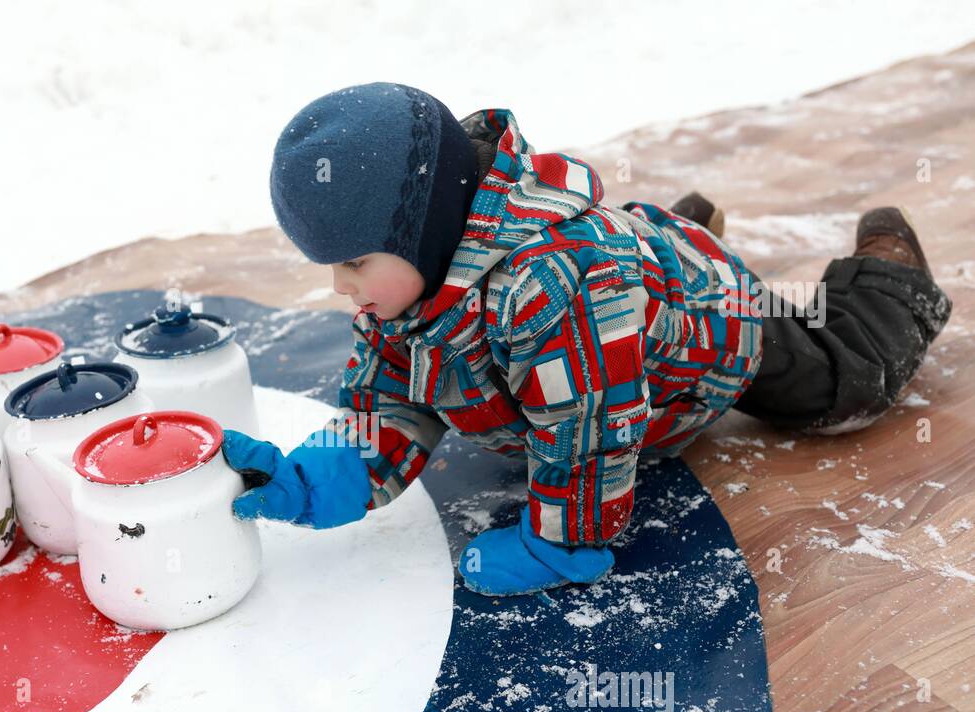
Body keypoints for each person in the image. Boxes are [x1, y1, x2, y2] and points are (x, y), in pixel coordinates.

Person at [221, 82, 952, 597]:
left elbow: (589, 427)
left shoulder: (549, 290)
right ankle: (677, 226)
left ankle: (889, 275)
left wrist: (562, 541)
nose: (340, 288)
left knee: (837, 385)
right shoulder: (406, 292)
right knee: (608, 295)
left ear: (423, 230)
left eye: (353, 262)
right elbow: (389, 399)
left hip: (708, 321)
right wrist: (311, 484)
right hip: (623, 288)